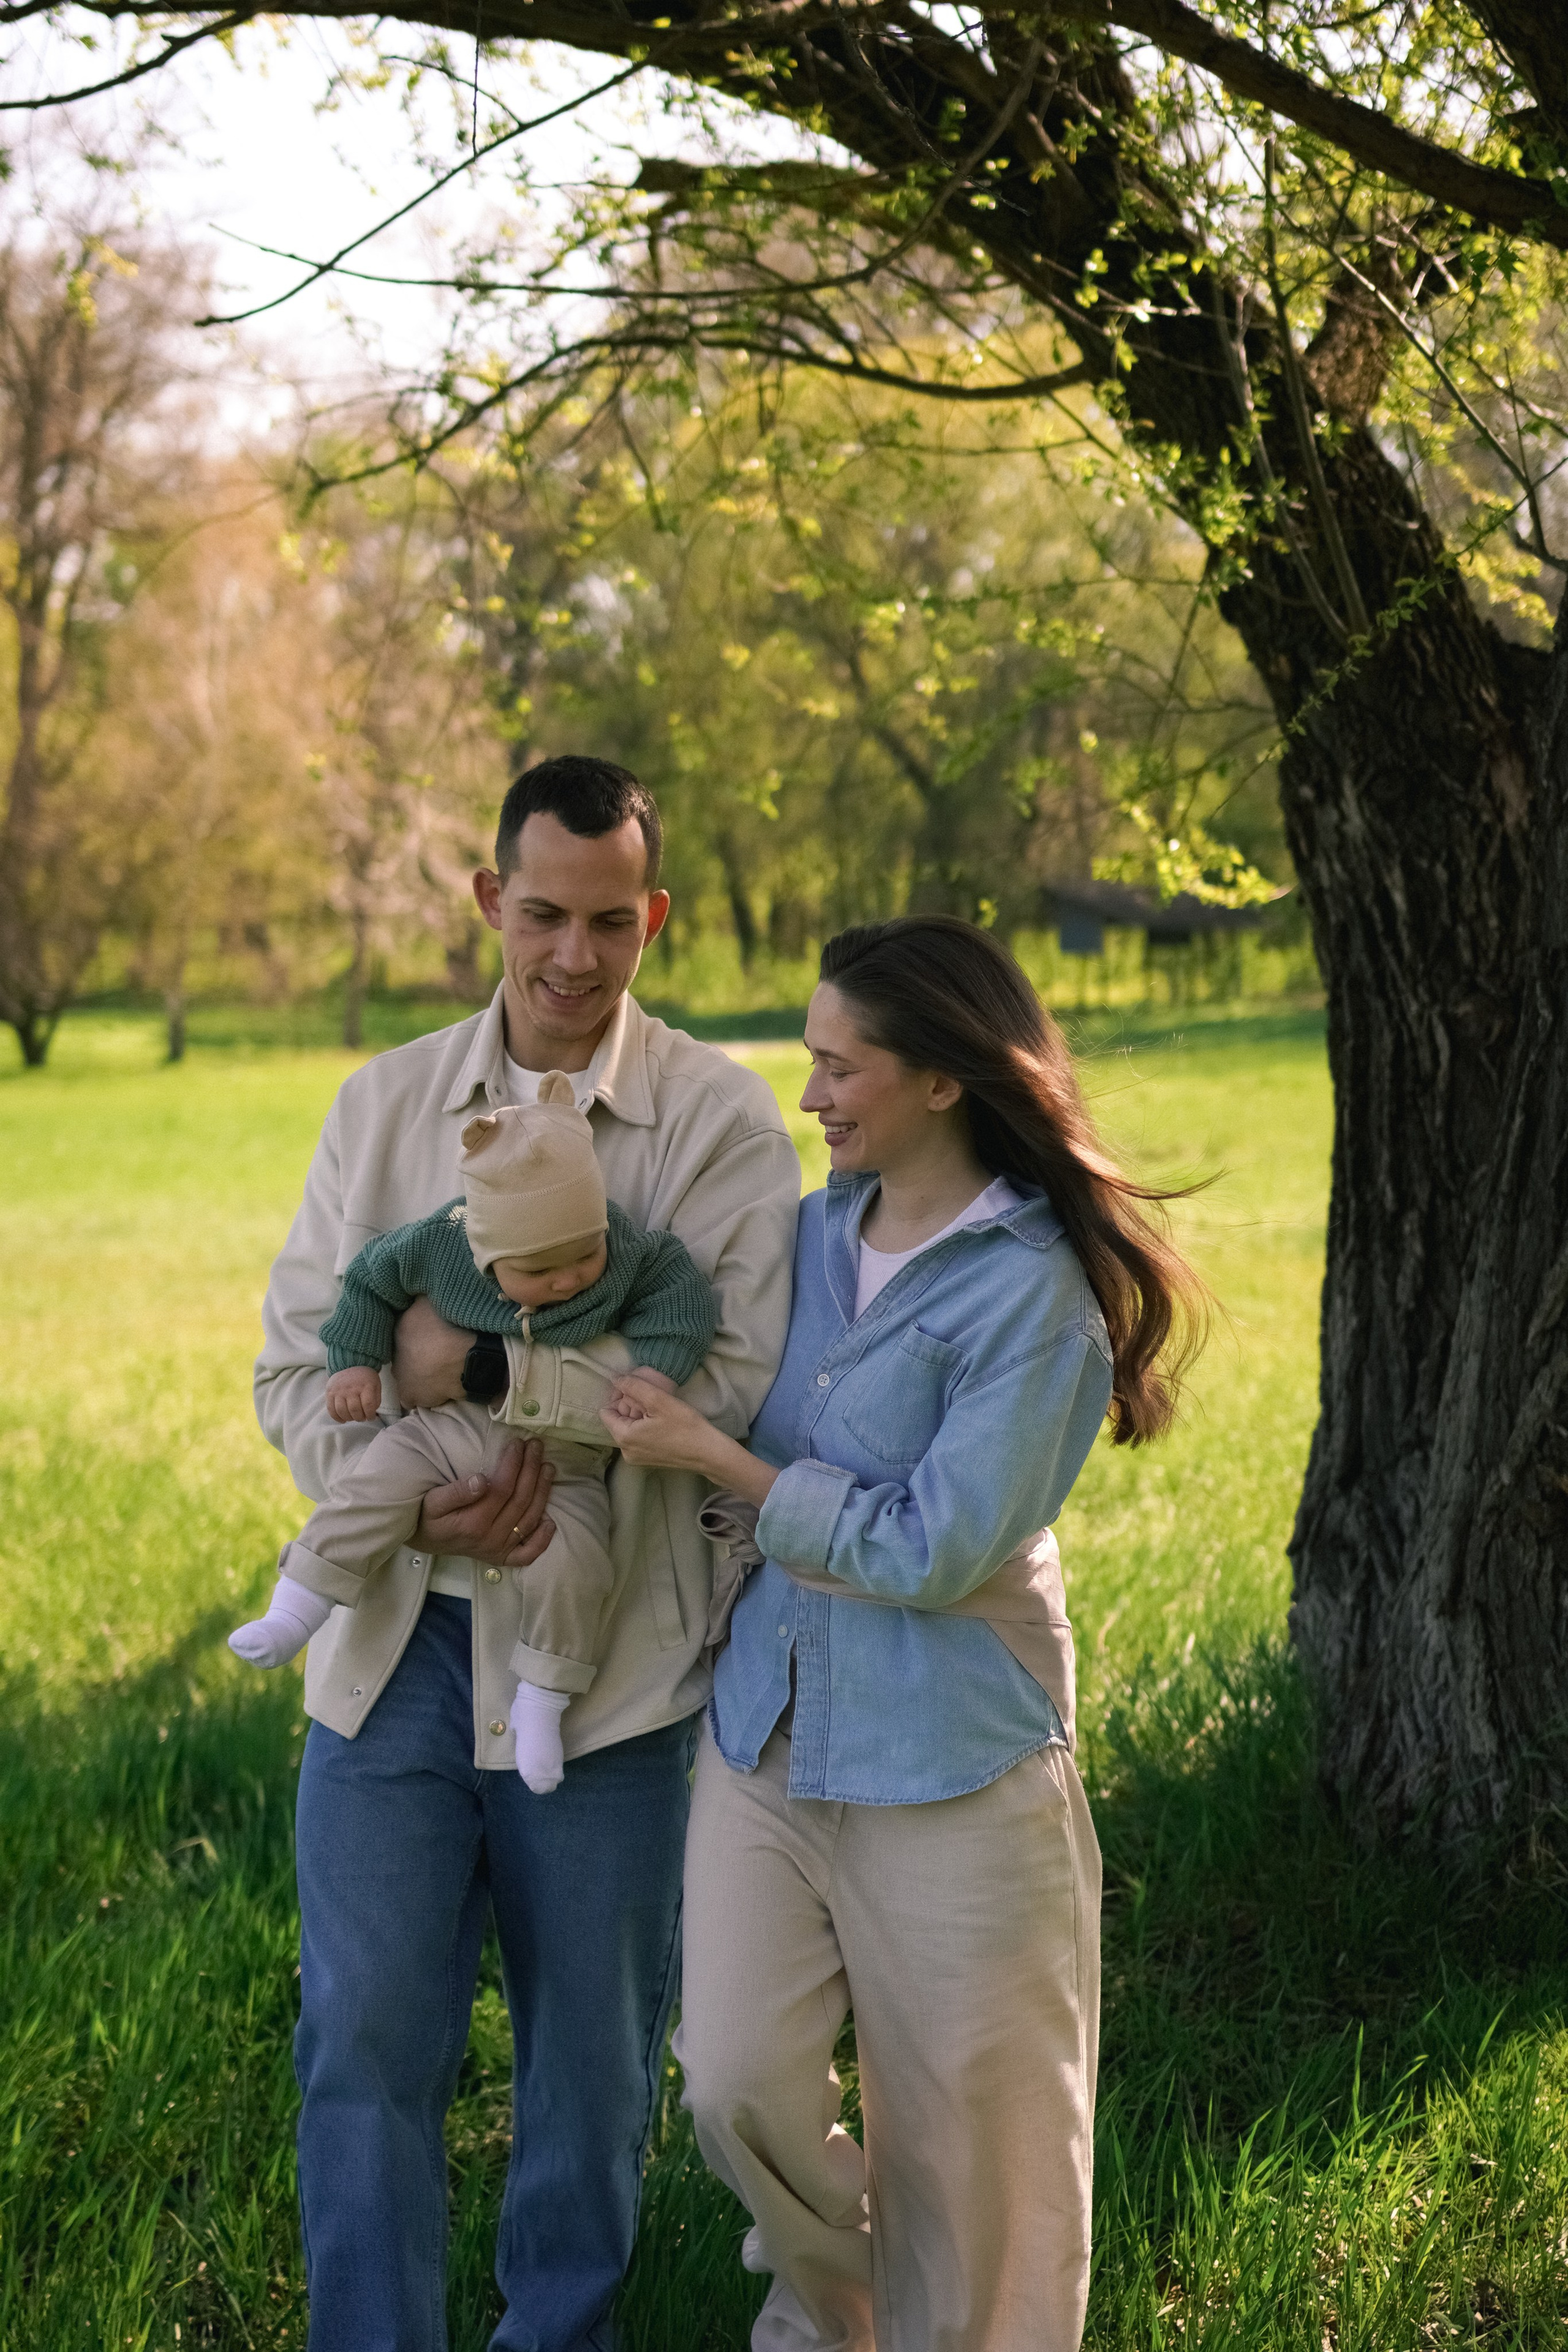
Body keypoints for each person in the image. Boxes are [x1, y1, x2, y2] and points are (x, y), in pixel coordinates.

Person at [254, 755, 800, 2352]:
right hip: (394, 1652)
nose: (575, 956)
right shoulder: (382, 1107)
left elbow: (726, 1379)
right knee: (365, 2033)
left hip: (610, 1657)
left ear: (657, 918)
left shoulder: (713, 1121)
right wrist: (409, 1482)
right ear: (490, 900)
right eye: (545, 915)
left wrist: (467, 1374)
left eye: (611, 923)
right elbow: (300, 1375)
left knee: (593, 2059)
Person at [601, 915, 1205, 2352]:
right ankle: (835, 2318)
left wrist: (726, 1464)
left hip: (951, 1752)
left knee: (970, 2154)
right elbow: (690, 1359)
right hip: (768, 1727)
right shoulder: (799, 1239)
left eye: (835, 1063)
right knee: (732, 2079)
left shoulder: (1029, 1289)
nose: (808, 1094)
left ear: (939, 1078)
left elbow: (934, 1545)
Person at [231, 1076, 718, 1793]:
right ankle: (300, 1601)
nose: (567, 1282)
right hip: (443, 1433)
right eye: (538, 1270)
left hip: (566, 1464)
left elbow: (683, 1303)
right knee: (373, 1486)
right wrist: (354, 1364)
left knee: (578, 1564)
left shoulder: (628, 1255)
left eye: (584, 1256)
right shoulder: (438, 1244)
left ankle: (543, 1699)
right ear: (487, 1253)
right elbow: (367, 1284)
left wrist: (656, 1375)